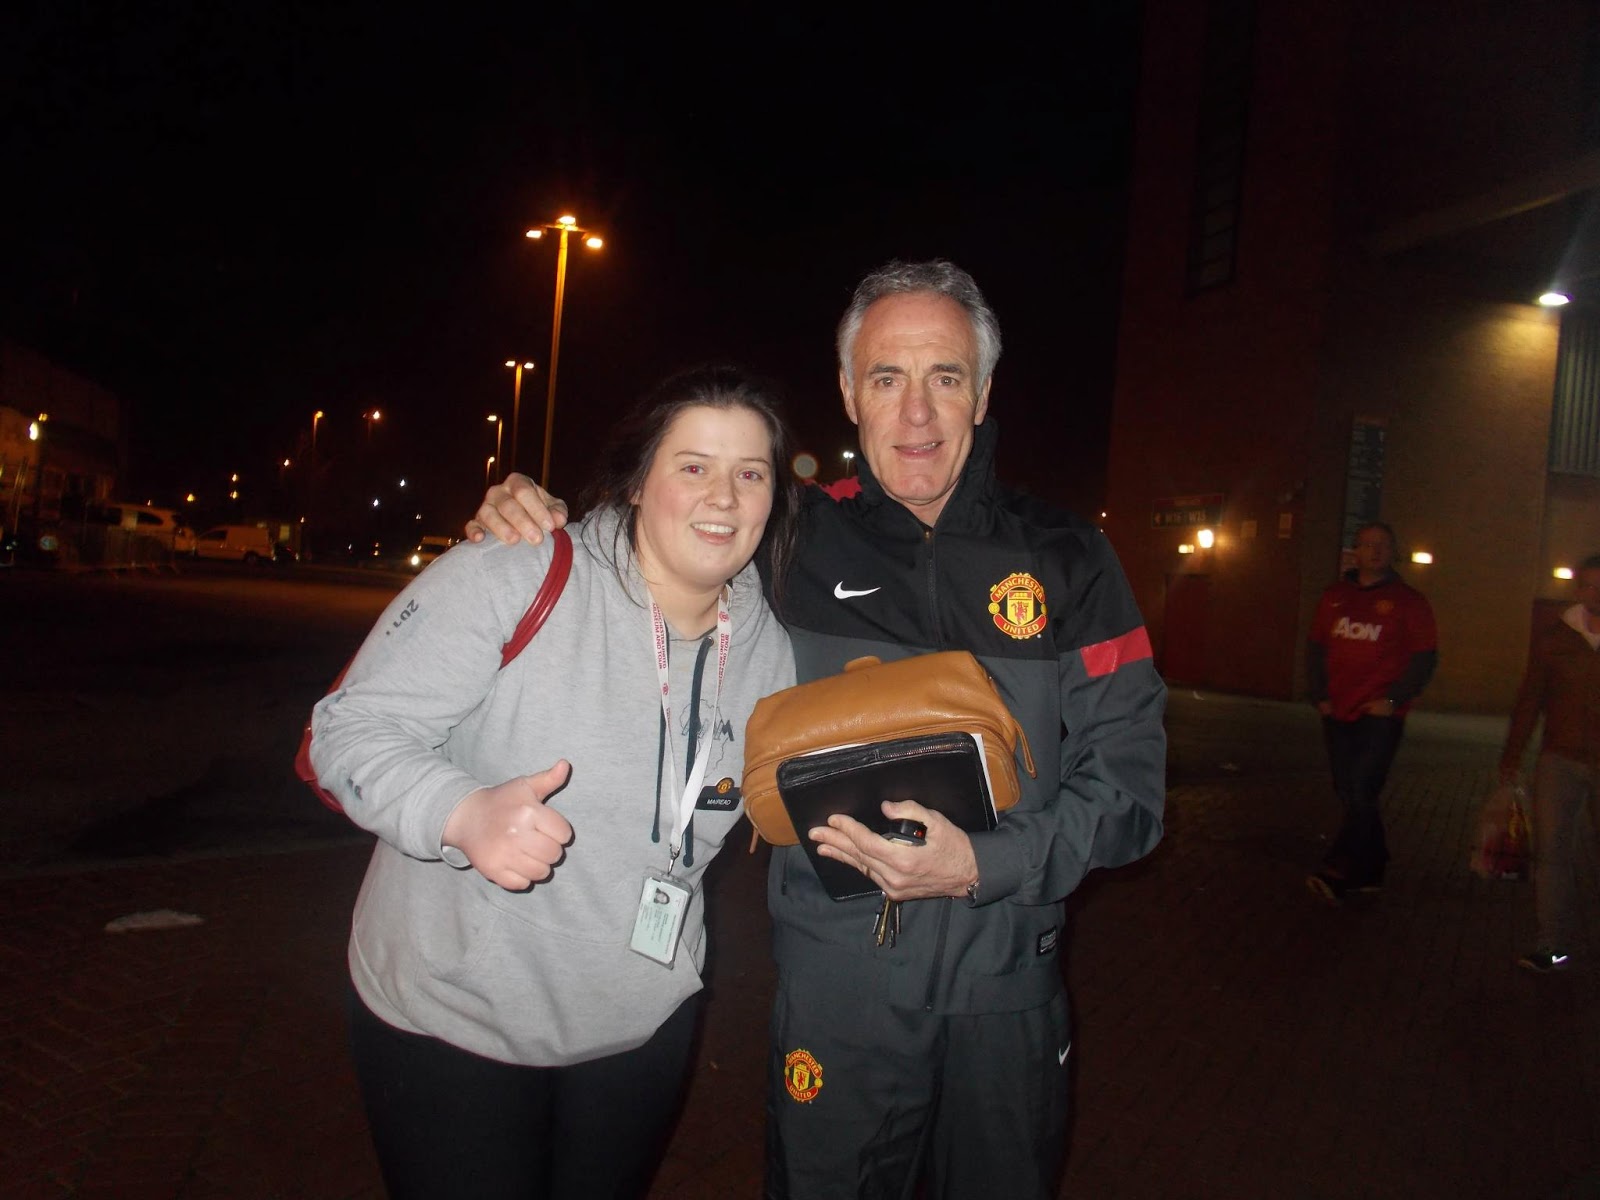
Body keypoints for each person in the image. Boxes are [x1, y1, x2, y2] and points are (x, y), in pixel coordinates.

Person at [468, 259, 1167, 1200]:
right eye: (886, 378)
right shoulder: (787, 535)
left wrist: (983, 864)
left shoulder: (1070, 557)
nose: (915, 413)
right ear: (847, 393)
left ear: (983, 393)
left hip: (1006, 982)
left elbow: (1131, 794)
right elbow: (650, 543)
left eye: (945, 377)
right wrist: (538, 517)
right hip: (840, 989)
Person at [309, 365, 799, 1199]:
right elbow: (345, 730)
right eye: (693, 465)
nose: (723, 495)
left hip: (641, 1022)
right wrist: (461, 812)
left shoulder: (768, 653)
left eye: (750, 474)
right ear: (637, 482)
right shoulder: (519, 570)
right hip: (454, 1018)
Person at [1305, 521, 1438, 903]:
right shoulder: (1335, 596)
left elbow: (1424, 658)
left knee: (1362, 788)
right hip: (1338, 709)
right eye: (1367, 544)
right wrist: (1320, 696)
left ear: (1393, 552)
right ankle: (1373, 863)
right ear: (1355, 552)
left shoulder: (1410, 602)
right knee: (1347, 789)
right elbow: (1316, 648)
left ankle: (1343, 867)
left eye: (1382, 545)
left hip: (1379, 714)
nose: (1375, 551)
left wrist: (1393, 700)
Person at [1498, 553, 1600, 973]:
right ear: (1578, 590)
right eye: (1590, 585)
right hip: (1560, 757)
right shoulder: (1556, 638)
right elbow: (1531, 698)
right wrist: (1513, 755)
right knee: (1551, 850)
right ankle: (1551, 944)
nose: (1597, 593)